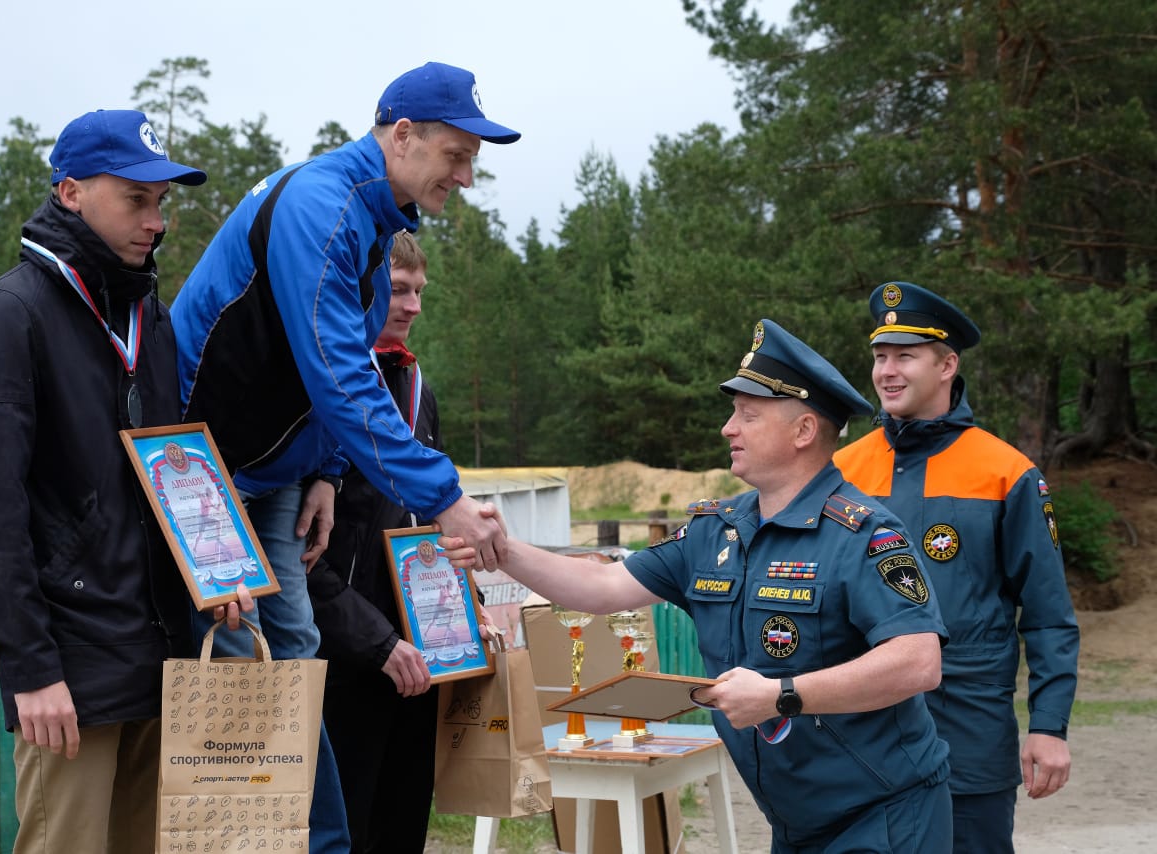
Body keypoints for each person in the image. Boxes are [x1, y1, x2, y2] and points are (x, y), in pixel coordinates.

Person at [171, 62, 520, 852]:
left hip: (269, 475)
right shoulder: (323, 207)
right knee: (241, 659)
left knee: (292, 654)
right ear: (402, 136)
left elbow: (346, 361)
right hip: (200, 472)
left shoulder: (367, 217)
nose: (466, 176)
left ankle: (317, 842)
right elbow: (336, 373)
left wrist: (324, 474)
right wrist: (443, 497)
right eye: (456, 155)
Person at [443, 319, 954, 852]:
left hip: (886, 816)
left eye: (748, 416)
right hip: (797, 821)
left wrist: (780, 696)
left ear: (803, 431)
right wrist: (501, 549)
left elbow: (918, 662)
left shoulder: (864, 534)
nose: (727, 429)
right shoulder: (716, 529)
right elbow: (600, 586)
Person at [0, 109, 247, 854]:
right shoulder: (7, 316)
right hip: (71, 675)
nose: (157, 221)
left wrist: (217, 575)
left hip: (160, 657)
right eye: (136, 199)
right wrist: (32, 667)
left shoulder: (154, 318)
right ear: (72, 191)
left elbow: (175, 474)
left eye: (161, 202)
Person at [833, 282, 1079, 853]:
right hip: (857, 730)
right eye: (879, 356)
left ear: (947, 364)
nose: (888, 371)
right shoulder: (841, 472)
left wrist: (1048, 726)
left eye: (905, 356)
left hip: (967, 730)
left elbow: (1046, 614)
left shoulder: (1006, 473)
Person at [306, 231, 440, 852]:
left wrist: (458, 616)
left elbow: (430, 528)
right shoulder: (323, 389)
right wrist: (376, 641)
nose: (412, 304)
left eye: (419, 291)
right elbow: (299, 555)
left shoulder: (419, 391)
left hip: (419, 658)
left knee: (403, 822)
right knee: (345, 830)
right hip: (347, 657)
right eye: (399, 288)